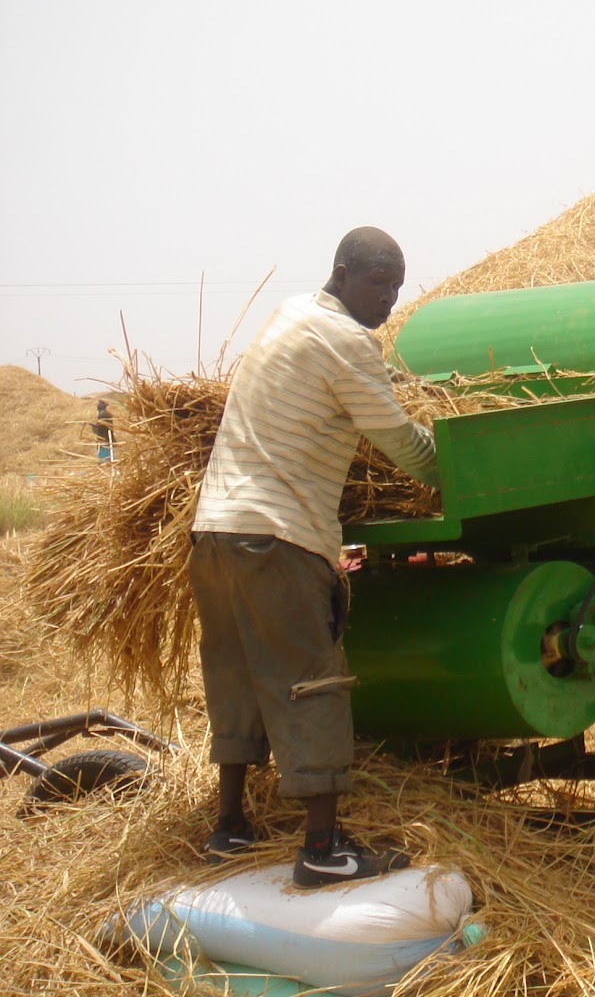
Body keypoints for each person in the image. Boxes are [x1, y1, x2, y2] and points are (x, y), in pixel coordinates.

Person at [189, 227, 439, 888]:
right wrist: (456, 471)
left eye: (396, 286)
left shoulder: (290, 315)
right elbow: (395, 436)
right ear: (342, 272)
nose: (387, 298)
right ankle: (323, 849)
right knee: (312, 681)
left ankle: (229, 827)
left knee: (236, 671)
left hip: (214, 530)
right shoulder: (346, 341)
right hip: (276, 534)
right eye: (376, 283)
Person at [92, 399, 114, 463]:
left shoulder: (102, 415)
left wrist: (95, 426)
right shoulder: (107, 414)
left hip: (104, 440)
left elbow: (101, 427)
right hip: (107, 439)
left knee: (104, 458)